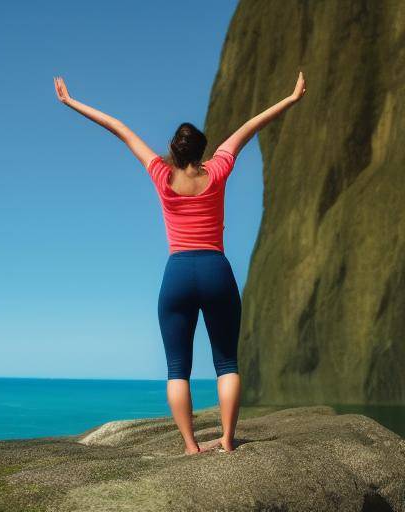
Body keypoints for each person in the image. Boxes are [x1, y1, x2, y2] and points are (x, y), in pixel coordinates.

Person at [53, 71, 306, 455]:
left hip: (178, 275)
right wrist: (290, 99)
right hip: (215, 269)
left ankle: (190, 445)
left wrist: (71, 103)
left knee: (177, 369)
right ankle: (227, 439)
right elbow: (251, 126)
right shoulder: (218, 170)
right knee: (227, 363)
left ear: (174, 148)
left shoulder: (160, 173)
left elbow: (119, 128)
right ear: (203, 150)